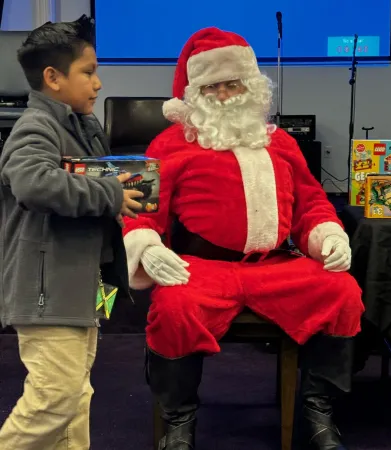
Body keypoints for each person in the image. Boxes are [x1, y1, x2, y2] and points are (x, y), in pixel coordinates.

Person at [123, 27, 364, 450]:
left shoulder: (282, 142)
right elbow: (138, 210)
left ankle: (318, 413)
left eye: (232, 83)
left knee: (341, 292)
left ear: (250, 86)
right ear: (195, 93)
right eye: (212, 86)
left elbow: (311, 204)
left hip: (276, 266)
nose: (224, 94)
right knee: (173, 307)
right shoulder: (166, 144)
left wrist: (329, 235)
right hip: (202, 268)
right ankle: (178, 423)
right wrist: (148, 246)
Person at [0, 15, 143, 450]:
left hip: (84, 287)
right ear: (52, 78)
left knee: (76, 397)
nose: (97, 83)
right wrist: (107, 195)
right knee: (54, 400)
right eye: (88, 72)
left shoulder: (79, 128)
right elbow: (33, 183)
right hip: (48, 292)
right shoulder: (35, 127)